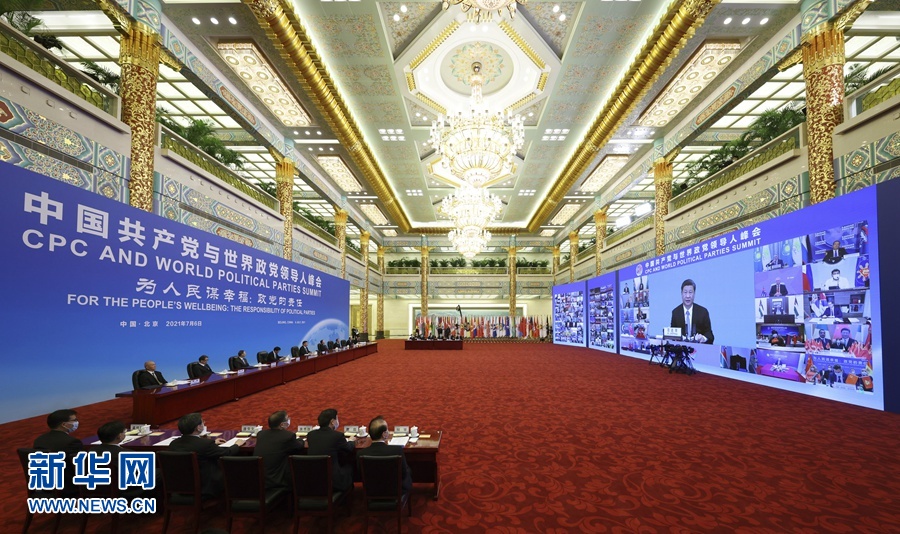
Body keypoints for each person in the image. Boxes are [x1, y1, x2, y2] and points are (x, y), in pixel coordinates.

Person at [169, 412, 243, 499]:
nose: (204, 423)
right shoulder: (205, 444)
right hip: (205, 487)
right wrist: (237, 445)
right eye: (202, 422)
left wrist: (212, 443)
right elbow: (226, 453)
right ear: (198, 427)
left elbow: (194, 445)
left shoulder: (173, 444)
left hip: (180, 486)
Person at [358, 415, 412, 495]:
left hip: (372, 491)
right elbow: (403, 473)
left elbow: (361, 476)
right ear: (384, 434)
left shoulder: (360, 454)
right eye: (387, 430)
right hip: (395, 491)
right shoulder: (397, 451)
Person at [306, 409, 356, 493]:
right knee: (350, 466)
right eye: (337, 419)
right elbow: (348, 448)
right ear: (332, 421)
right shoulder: (338, 436)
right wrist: (351, 441)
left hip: (313, 480)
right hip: (333, 482)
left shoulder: (310, 435)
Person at [253, 410, 304, 491]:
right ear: (282, 424)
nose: (289, 420)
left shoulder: (261, 434)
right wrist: (300, 439)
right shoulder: (288, 436)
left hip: (259, 480)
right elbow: (299, 446)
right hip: (277, 481)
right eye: (287, 418)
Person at [670, 279, 714, 343]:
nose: (688, 296)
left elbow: (710, 334)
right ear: (681, 293)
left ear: (694, 293)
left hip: (699, 347)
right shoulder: (676, 312)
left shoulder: (703, 312)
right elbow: (672, 334)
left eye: (690, 292)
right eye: (685, 292)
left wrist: (703, 338)